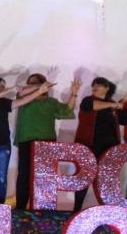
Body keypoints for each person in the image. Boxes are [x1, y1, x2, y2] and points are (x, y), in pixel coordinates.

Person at [0, 76, 52, 209]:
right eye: (1, 86)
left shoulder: (3, 102)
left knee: (2, 178)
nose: (4, 88)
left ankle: (1, 206)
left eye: (4, 86)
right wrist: (12, 89)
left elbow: (22, 101)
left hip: (3, 146)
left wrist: (39, 90)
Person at [74, 77, 127, 211]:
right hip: (89, 147)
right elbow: (93, 105)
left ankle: (108, 212)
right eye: (94, 85)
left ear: (107, 88)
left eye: (99, 85)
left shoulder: (113, 104)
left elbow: (125, 120)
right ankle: (76, 209)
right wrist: (113, 105)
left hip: (109, 150)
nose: (95, 87)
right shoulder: (88, 100)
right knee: (84, 179)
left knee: (107, 182)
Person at [13, 72, 81, 210]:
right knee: (24, 175)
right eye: (30, 83)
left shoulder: (51, 102)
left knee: (45, 176)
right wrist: (39, 87)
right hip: (26, 141)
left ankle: (42, 207)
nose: (31, 85)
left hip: (47, 143)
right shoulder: (24, 99)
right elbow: (22, 91)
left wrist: (74, 93)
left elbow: (66, 111)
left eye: (35, 83)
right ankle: (20, 208)